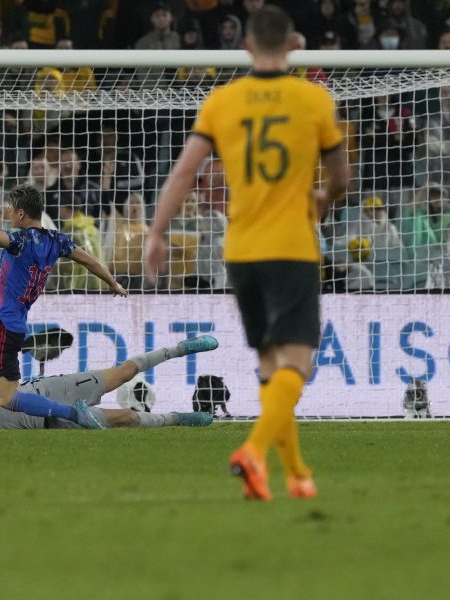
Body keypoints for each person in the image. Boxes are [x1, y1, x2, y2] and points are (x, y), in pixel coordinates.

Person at [144, 6, 350, 501]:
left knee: (269, 366)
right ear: (294, 45)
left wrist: (156, 232)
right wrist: (324, 198)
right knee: (295, 366)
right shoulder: (314, 100)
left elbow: (184, 173)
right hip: (293, 247)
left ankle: (297, 474)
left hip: (240, 250)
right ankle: (254, 452)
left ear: (248, 46)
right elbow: (341, 178)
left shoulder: (223, 101)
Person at [0, 174, 129, 431]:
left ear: (20, 215)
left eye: (9, 212)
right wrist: (112, 282)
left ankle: (74, 413)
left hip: (4, 326)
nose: (7, 216)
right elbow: (89, 260)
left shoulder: (20, 239)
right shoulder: (56, 239)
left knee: (7, 397)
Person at [0, 338, 219, 430]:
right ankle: (179, 419)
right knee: (126, 418)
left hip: (51, 389)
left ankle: (179, 349)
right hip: (50, 424)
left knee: (122, 373)